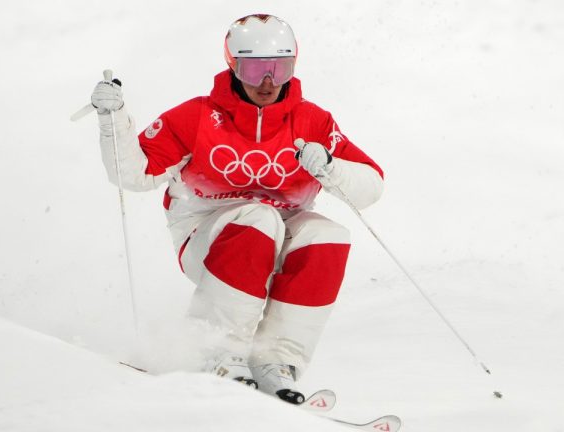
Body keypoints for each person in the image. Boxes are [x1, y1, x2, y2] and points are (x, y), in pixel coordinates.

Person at [90, 14, 384, 404]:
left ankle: (276, 361)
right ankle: (215, 350)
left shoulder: (311, 121)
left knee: (328, 235)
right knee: (258, 217)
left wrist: (331, 165)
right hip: (207, 240)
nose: (268, 81)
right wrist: (113, 121)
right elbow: (134, 173)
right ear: (233, 65)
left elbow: (371, 187)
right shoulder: (196, 117)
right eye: (256, 68)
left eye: (280, 68)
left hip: (280, 236)